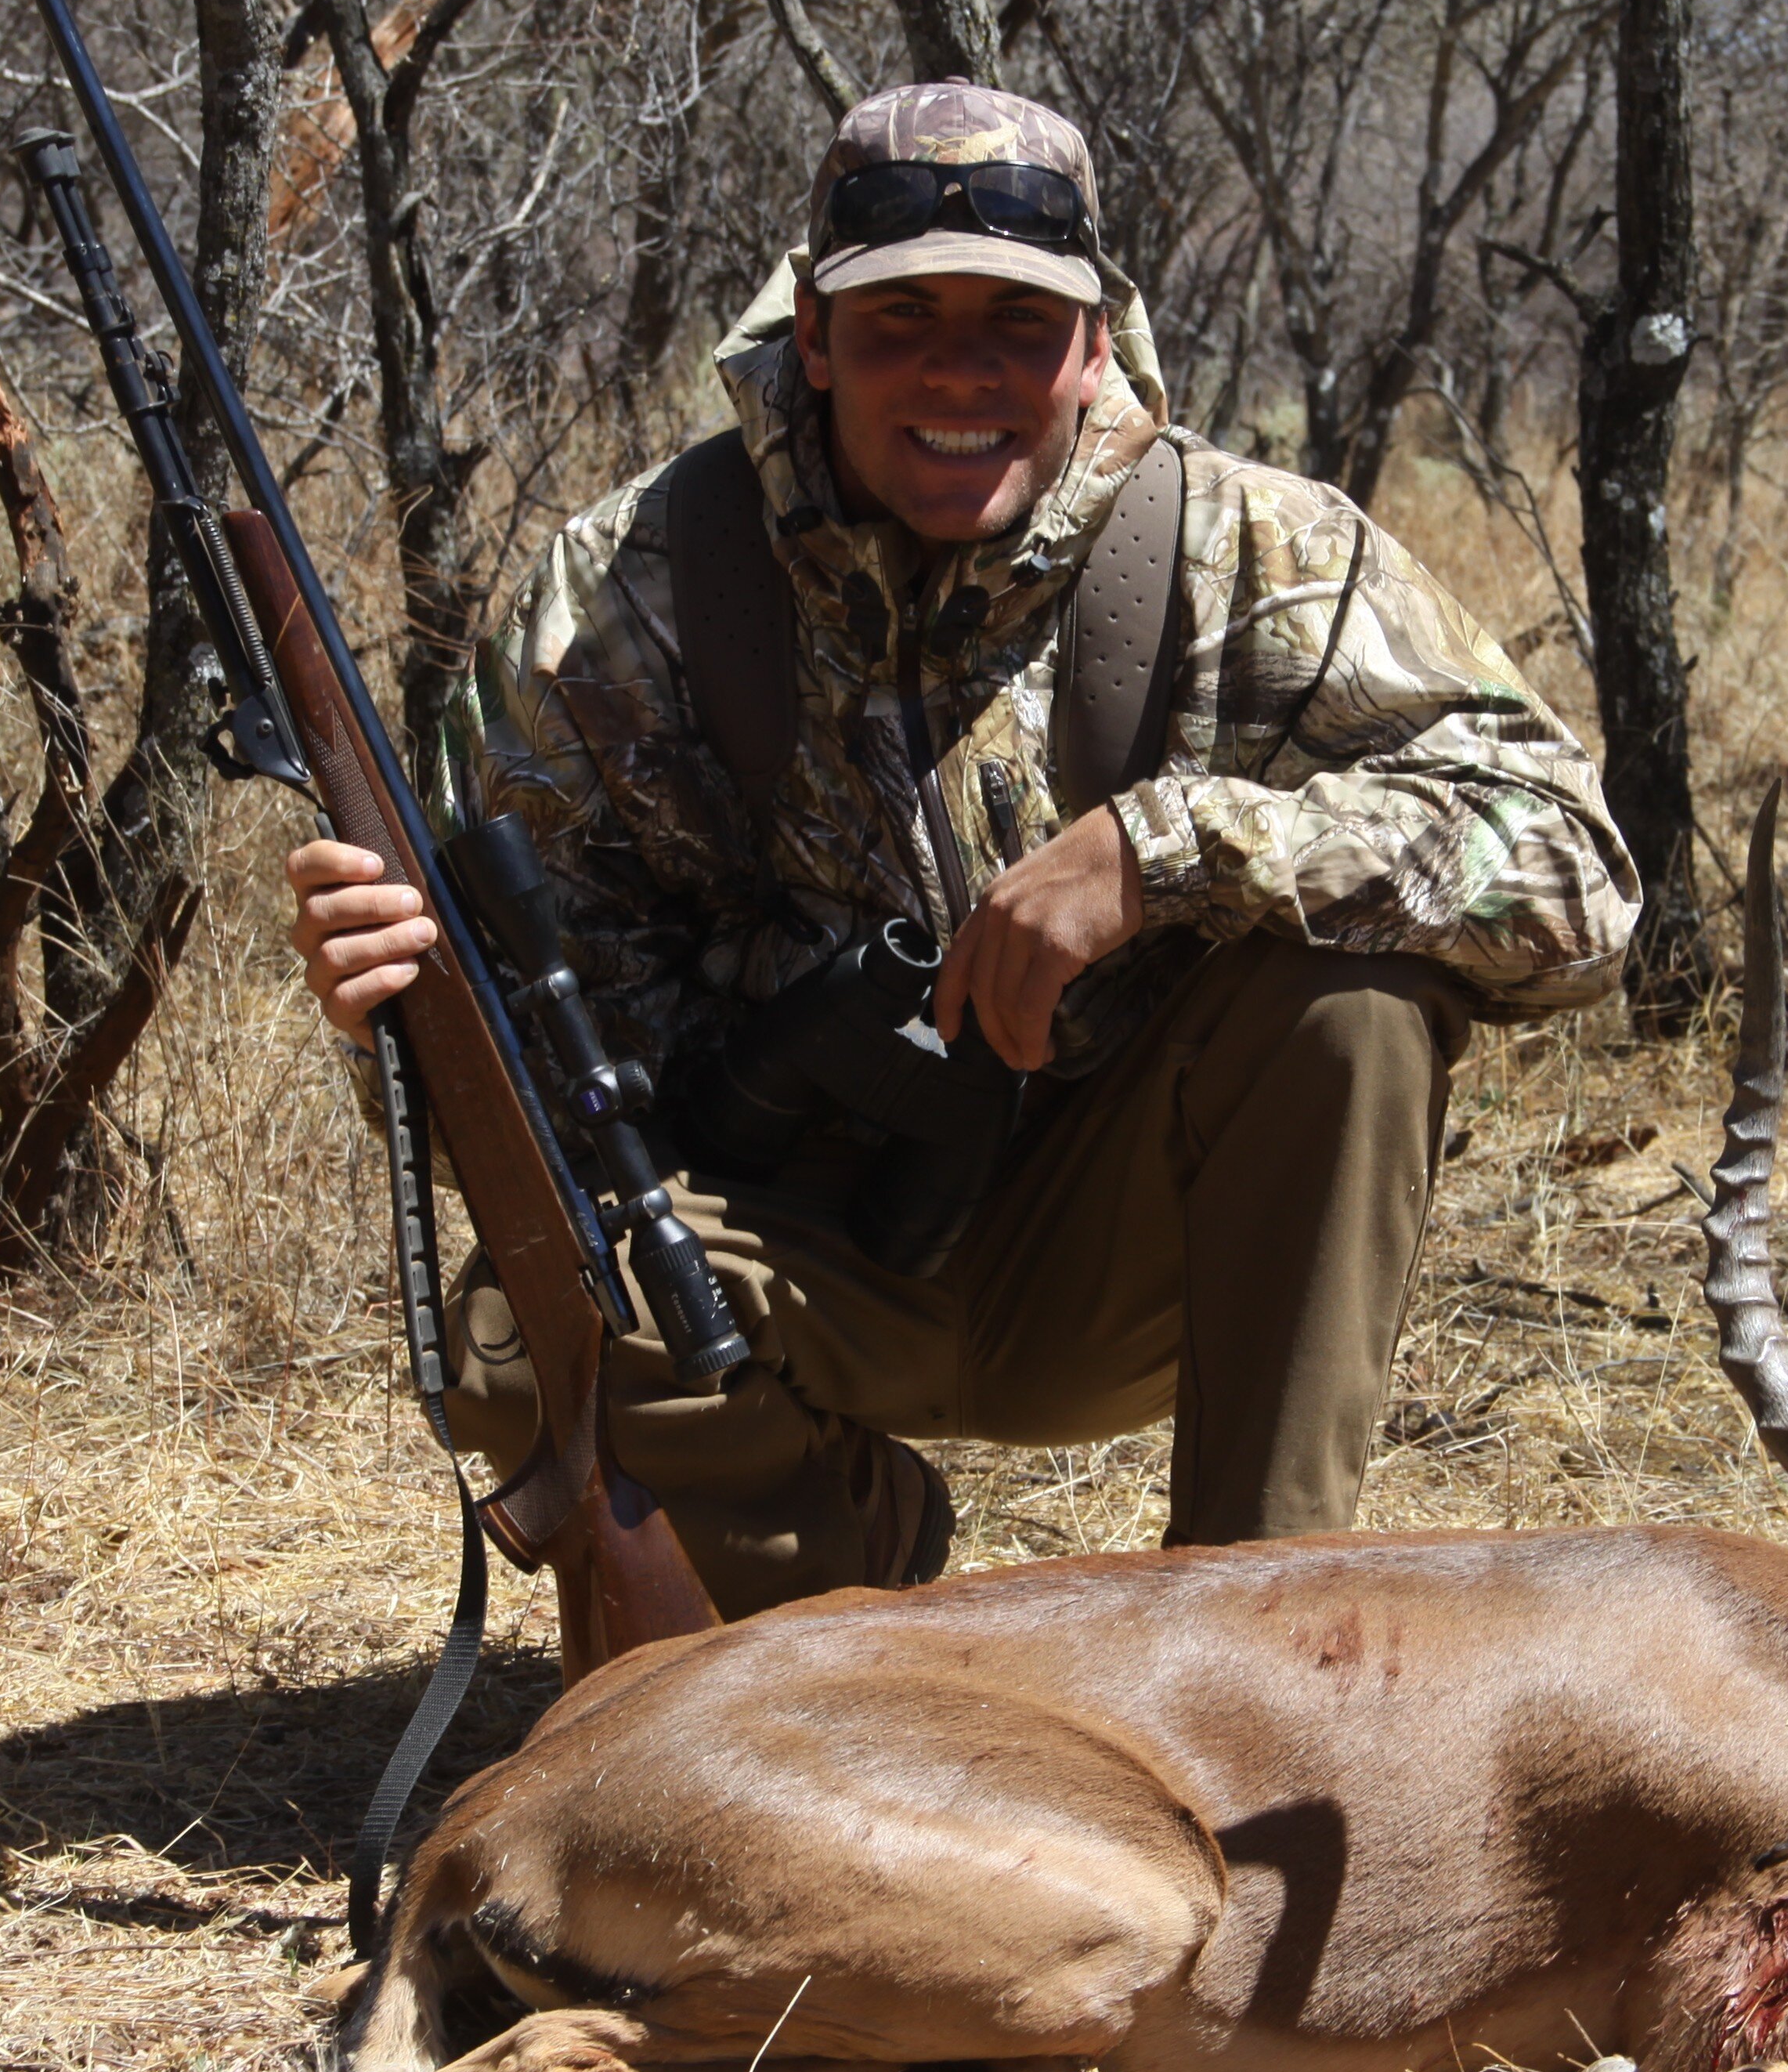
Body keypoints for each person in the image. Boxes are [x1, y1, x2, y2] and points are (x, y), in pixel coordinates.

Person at [287, 84, 1636, 1625]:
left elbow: (1580, 877)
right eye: (898, 319)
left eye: (1015, 322)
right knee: (525, 1330)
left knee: (1355, 1016)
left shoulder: (1257, 553)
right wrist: (399, 1008)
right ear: (811, 332)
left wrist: (1170, 846)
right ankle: (861, 1589)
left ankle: (1249, 1649)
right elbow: (538, 1100)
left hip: (1121, 1264)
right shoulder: (629, 587)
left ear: (1094, 340)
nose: (958, 373)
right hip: (783, 1256)